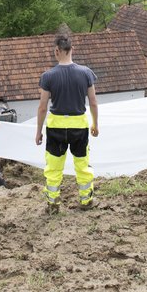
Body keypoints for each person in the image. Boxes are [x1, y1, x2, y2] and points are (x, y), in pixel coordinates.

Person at [35, 33, 99, 214]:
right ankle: (86, 201)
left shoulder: (47, 76)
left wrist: (39, 131)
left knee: (54, 167)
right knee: (82, 164)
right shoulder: (86, 73)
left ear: (56, 51)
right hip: (79, 126)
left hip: (55, 127)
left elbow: (42, 107)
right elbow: (93, 102)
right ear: (72, 50)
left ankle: (53, 203)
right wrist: (95, 124)